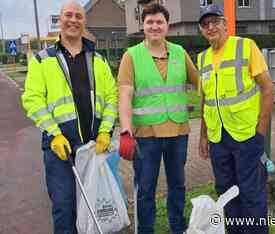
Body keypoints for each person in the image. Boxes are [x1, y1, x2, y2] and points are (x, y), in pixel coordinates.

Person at [21, 1, 117, 233]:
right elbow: (32, 100)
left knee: (95, 206)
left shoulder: (99, 60)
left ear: (84, 22)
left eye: (78, 16)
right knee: (65, 208)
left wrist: (105, 130)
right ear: (60, 20)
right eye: (68, 15)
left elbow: (111, 98)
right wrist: (54, 135)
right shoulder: (43, 60)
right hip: (60, 150)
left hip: (93, 147)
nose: (73, 20)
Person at [117, 3, 198, 234]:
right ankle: (146, 229)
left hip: (178, 133)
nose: (154, 26)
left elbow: (200, 82)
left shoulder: (179, 52)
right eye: (150, 22)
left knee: (178, 186)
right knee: (145, 188)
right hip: (146, 137)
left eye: (159, 22)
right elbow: (124, 94)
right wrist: (125, 130)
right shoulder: (131, 56)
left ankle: (177, 226)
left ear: (167, 26)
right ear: (143, 26)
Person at [197, 4, 275, 234]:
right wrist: (203, 137)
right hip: (218, 138)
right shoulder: (202, 59)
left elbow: (268, 88)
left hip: (247, 136)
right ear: (202, 30)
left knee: (251, 193)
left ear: (225, 24)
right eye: (205, 24)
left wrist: (261, 129)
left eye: (215, 22)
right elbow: (206, 101)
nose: (210, 27)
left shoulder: (245, 46)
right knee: (226, 192)